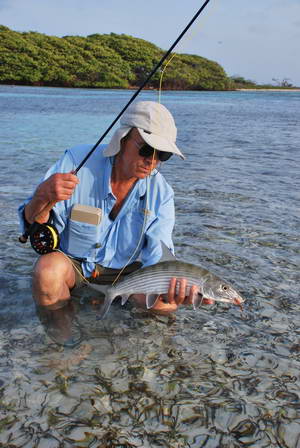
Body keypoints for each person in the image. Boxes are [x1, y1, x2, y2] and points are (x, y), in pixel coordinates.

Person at [18, 101, 205, 345]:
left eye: (164, 155)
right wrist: (42, 196)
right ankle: (64, 345)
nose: (153, 161)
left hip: (130, 272)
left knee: (164, 303)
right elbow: (36, 229)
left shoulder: (163, 193)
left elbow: (159, 255)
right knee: (46, 272)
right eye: (147, 150)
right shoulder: (77, 162)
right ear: (123, 139)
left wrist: (173, 288)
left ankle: (137, 356)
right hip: (77, 267)